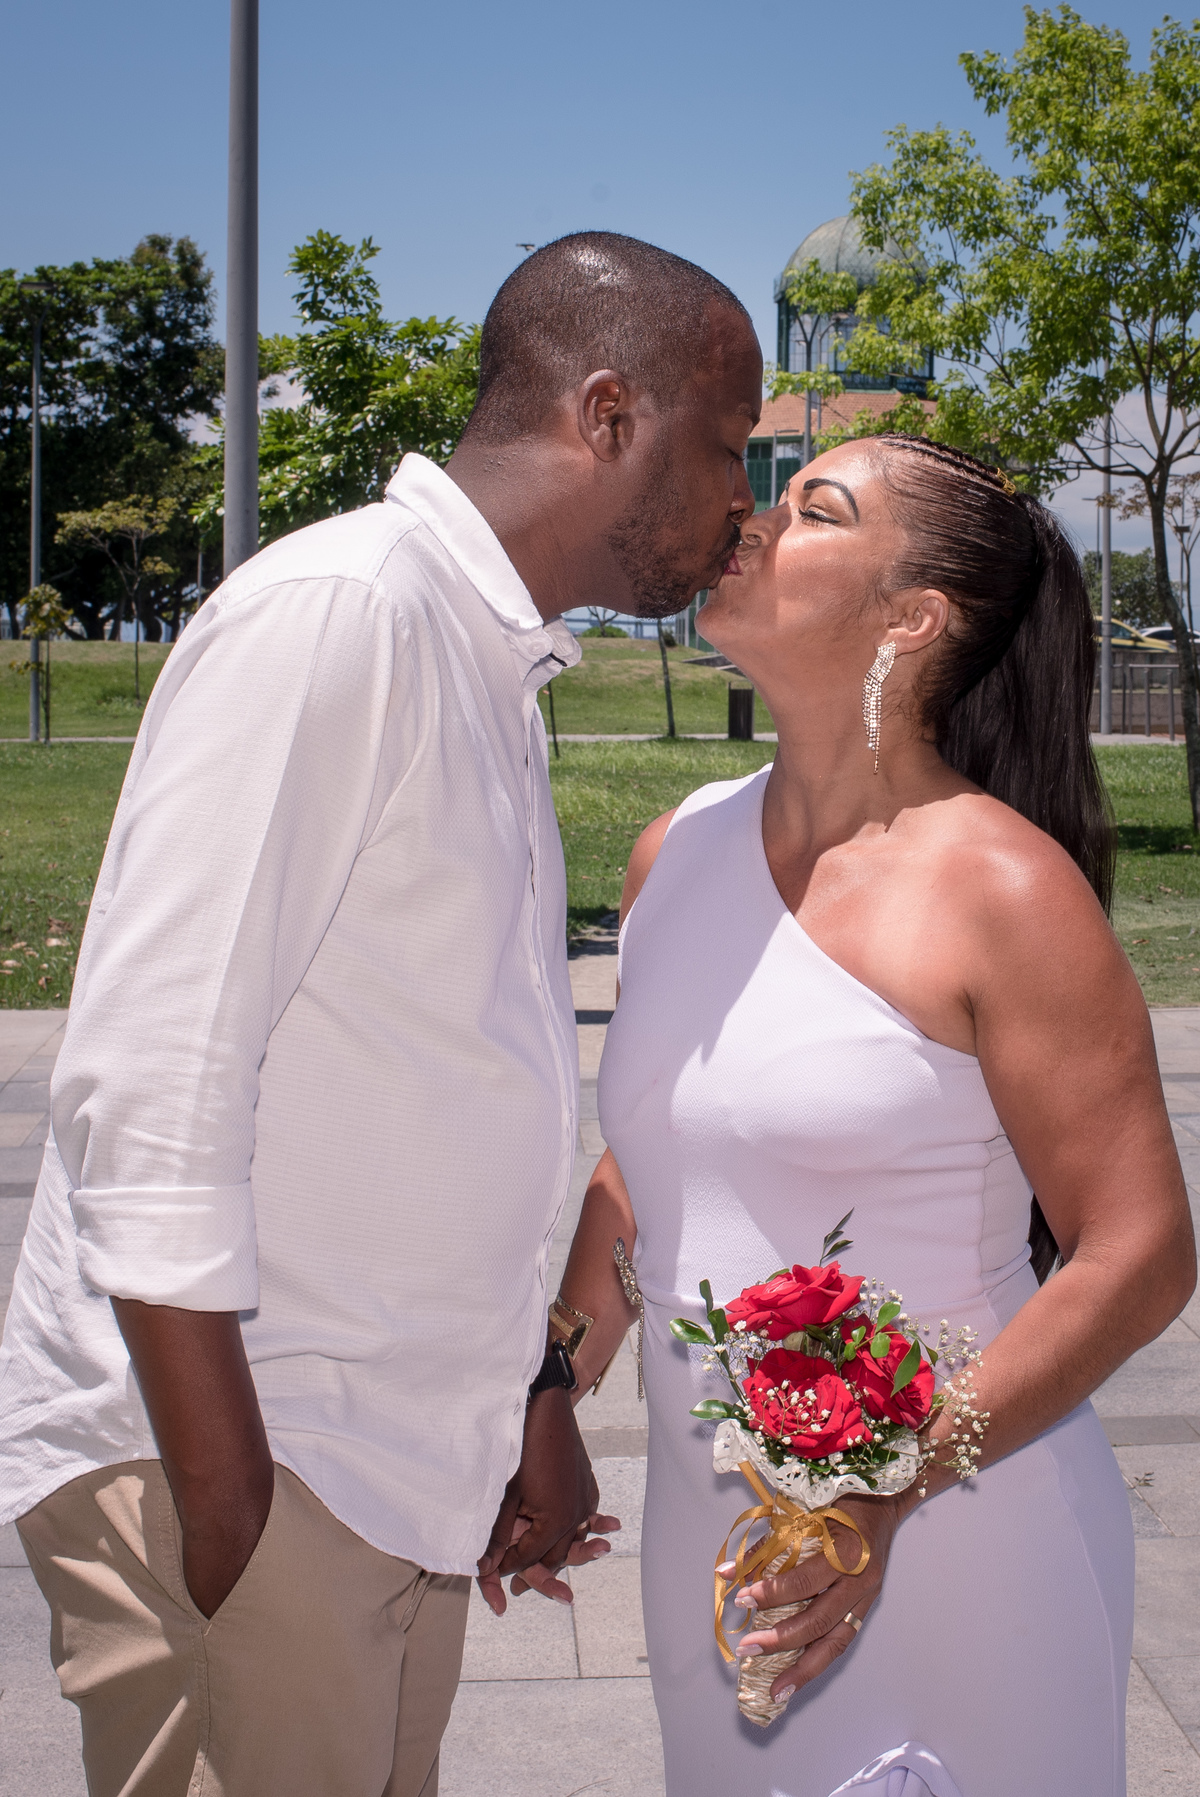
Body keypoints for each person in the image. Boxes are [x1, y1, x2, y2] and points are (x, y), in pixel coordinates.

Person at [0, 232, 762, 1797]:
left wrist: (513, 1403)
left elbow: (421, 1088)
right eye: (731, 442)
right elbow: (152, 1079)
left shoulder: (484, 663)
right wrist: (232, 1510)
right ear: (607, 414)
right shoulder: (344, 614)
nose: (742, 498)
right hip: (259, 1464)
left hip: (369, 1472)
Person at [557, 435, 1197, 1797]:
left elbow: (1139, 1250)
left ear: (914, 621)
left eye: (813, 509)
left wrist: (888, 1487)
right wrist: (552, 1381)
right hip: (717, 1551)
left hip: (962, 1539)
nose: (752, 516)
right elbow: (656, 1162)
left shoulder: (1001, 890)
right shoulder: (676, 849)